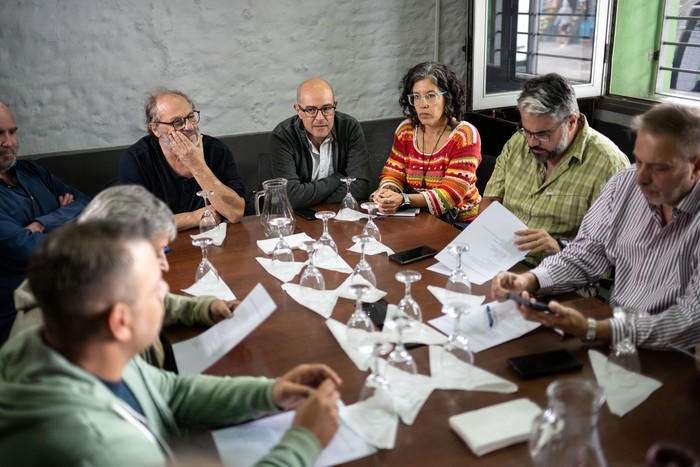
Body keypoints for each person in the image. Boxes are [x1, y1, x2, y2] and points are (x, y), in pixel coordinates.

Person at [0, 220, 341, 466]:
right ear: (120, 322)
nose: (167, 293)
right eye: (154, 288)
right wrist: (305, 441)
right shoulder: (96, 448)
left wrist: (270, 392)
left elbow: (170, 392)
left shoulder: (82, 344)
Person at [492, 103, 700, 349]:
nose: (641, 178)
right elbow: (585, 254)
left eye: (658, 168)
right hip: (617, 335)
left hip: (677, 355)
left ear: (696, 166)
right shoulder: (624, 184)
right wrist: (530, 280)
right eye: (639, 161)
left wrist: (592, 329)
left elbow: (689, 320)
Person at [9, 185, 237, 370]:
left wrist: (204, 308)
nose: (164, 264)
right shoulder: (59, 346)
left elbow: (151, 302)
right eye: (155, 252)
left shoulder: (95, 280)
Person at [479, 73, 628, 264]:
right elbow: (491, 199)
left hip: (562, 271)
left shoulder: (609, 164)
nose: (532, 142)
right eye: (527, 131)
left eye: (543, 134)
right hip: (503, 259)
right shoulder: (518, 142)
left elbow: (615, 245)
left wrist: (560, 246)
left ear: (571, 121)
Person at [0, 100, 89, 344]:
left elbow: (86, 203)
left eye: (12, 131)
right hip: (24, 316)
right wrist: (66, 218)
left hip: (70, 291)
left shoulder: (32, 171)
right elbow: (31, 250)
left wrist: (41, 224)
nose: (8, 142)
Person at [373, 62, 482, 226]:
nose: (422, 104)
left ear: (448, 97)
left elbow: (451, 195)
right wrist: (387, 193)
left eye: (430, 95)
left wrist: (403, 199)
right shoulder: (406, 130)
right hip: (417, 217)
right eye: (416, 96)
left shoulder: (465, 135)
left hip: (459, 222)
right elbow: (393, 173)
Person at [120, 89, 246, 231]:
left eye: (191, 116)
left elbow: (235, 213)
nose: (190, 126)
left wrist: (198, 166)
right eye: (177, 122)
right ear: (155, 129)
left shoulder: (216, 150)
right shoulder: (137, 159)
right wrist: (194, 217)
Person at [269, 78, 370, 209]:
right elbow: (292, 197)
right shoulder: (282, 136)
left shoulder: (349, 127)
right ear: (298, 111)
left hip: (343, 216)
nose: (320, 118)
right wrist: (337, 178)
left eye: (327, 108)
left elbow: (361, 188)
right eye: (311, 110)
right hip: (300, 220)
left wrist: (308, 198)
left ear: (335, 105)